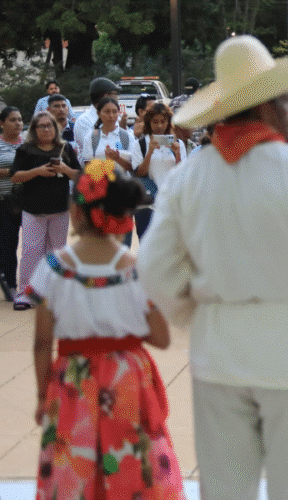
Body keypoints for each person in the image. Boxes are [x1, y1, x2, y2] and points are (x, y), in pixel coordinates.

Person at [138, 35, 288, 500]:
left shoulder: (188, 179)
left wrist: (198, 313)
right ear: (268, 107)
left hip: (219, 352)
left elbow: (155, 270)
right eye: (284, 101)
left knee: (225, 492)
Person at [29, 161, 184, 499]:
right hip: (127, 379)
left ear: (75, 211)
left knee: (75, 460)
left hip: (73, 380)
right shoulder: (136, 270)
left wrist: (43, 396)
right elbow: (161, 337)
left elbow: (42, 343)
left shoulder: (53, 268)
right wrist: (121, 327)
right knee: (131, 461)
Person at [10, 112, 82, 310]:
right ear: (34, 129)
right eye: (41, 126)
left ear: (55, 127)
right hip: (33, 210)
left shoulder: (64, 148)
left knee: (57, 253)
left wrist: (65, 170)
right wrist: (37, 171)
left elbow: (79, 175)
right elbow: (15, 176)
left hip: (59, 209)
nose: (46, 129)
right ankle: (25, 292)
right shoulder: (26, 150)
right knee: (31, 251)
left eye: (49, 125)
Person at [134, 102, 186, 241]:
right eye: (155, 122)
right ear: (148, 122)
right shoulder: (140, 144)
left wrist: (177, 154)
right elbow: (139, 173)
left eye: (163, 121)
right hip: (148, 203)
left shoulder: (178, 144)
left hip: (172, 203)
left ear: (169, 122)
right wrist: (150, 152)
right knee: (146, 244)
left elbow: (182, 173)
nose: (159, 126)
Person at [80, 97, 141, 174]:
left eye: (114, 112)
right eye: (107, 112)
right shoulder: (91, 137)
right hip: (100, 183)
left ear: (119, 113)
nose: (111, 115)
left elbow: (134, 167)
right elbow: (87, 167)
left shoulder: (127, 136)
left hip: (123, 184)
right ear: (99, 113)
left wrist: (117, 158)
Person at [0, 107, 23, 295]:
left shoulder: (29, 144)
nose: (18, 123)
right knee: (8, 243)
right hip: (4, 202)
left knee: (33, 245)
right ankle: (10, 284)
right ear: (2, 123)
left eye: (20, 120)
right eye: (12, 120)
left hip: (29, 202)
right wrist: (13, 172)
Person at [74, 78, 122, 149]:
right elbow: (92, 148)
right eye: (115, 94)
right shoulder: (84, 121)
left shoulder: (118, 118)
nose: (117, 98)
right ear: (106, 96)